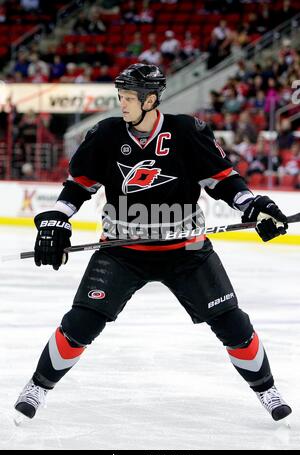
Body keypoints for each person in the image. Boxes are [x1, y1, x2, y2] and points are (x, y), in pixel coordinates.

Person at [14, 63, 291, 423]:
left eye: (129, 98)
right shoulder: (106, 135)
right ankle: (38, 386)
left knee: (233, 325)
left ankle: (267, 390)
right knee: (80, 323)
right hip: (122, 250)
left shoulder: (187, 132)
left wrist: (255, 205)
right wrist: (56, 217)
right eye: (121, 97)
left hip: (187, 251)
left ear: (150, 100)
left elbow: (224, 182)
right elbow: (78, 186)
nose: (122, 104)